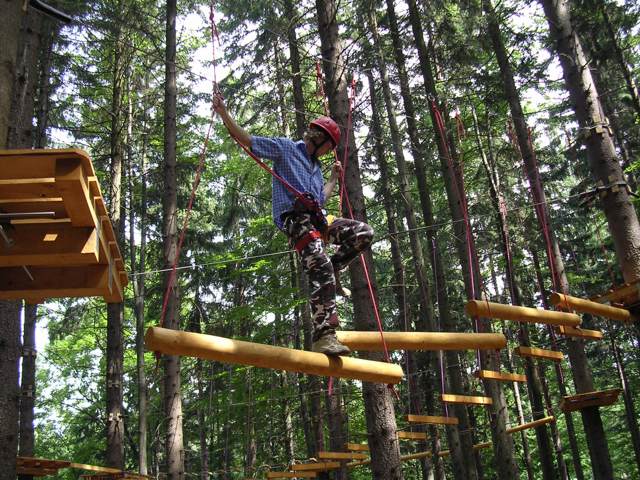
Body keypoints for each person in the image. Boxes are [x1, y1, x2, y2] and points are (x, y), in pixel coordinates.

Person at [212, 93, 374, 356]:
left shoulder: (317, 168)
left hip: (319, 220)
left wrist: (333, 176)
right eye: (329, 147)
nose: (328, 153)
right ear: (320, 139)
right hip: (295, 219)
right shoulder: (286, 148)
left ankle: (332, 268)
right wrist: (223, 113)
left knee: (363, 233)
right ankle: (324, 335)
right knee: (318, 263)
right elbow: (247, 139)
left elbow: (321, 198)